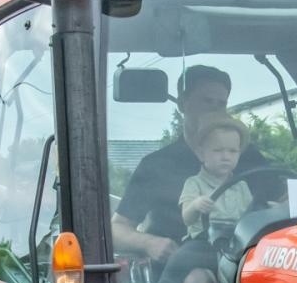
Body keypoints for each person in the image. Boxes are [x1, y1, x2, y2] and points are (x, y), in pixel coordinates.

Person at [110, 65, 267, 263]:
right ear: (182, 104)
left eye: (221, 104)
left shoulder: (248, 157)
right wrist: (149, 243)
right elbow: (116, 229)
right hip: (179, 265)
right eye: (207, 101)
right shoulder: (156, 166)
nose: (215, 109)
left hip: (245, 263)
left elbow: (282, 201)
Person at [178, 115, 254, 236]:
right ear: (201, 154)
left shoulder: (241, 185)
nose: (226, 157)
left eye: (232, 151)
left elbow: (251, 216)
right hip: (202, 239)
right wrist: (195, 205)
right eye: (218, 150)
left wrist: (268, 209)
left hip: (237, 239)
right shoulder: (194, 183)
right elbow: (187, 219)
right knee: (191, 249)